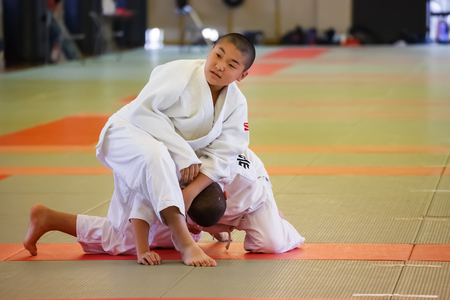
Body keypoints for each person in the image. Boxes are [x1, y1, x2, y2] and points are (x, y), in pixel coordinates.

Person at [23, 33, 256, 267]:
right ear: (210, 50)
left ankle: (48, 218)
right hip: (128, 131)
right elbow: (142, 112)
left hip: (164, 150)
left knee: (123, 240)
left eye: (231, 64)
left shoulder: (236, 104)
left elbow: (226, 152)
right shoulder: (179, 72)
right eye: (218, 55)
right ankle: (184, 241)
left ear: (242, 75)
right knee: (157, 157)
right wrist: (183, 154)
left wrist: (192, 192)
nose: (219, 66)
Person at [22, 182, 227, 266]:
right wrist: (142, 251)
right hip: (145, 222)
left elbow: (205, 211)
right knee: (117, 239)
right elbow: (140, 211)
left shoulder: (205, 185)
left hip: (169, 226)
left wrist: (217, 231)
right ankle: (48, 218)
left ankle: (49, 218)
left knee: (114, 236)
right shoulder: (166, 186)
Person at [191, 148, 305, 253]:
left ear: (225, 195)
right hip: (195, 194)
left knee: (272, 243)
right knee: (173, 242)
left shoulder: (245, 179)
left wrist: (269, 218)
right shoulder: (182, 175)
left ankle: (277, 220)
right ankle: (203, 224)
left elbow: (258, 200)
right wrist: (191, 233)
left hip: (251, 198)